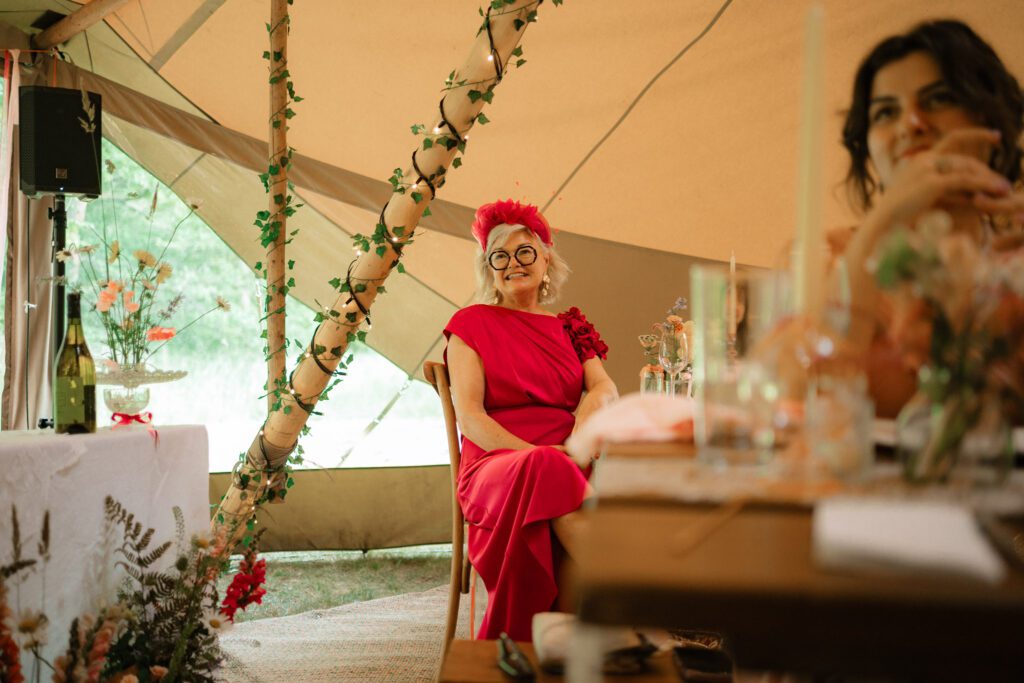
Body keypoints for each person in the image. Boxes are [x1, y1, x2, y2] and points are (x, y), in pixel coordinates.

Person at [443, 199, 618, 641]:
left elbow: (604, 389)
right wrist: (537, 453)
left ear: (545, 259)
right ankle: (627, 608)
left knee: (560, 474)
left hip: (567, 463)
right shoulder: (471, 323)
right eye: (499, 256)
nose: (513, 264)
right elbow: (470, 417)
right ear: (489, 267)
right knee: (548, 468)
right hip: (497, 466)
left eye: (524, 252)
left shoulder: (570, 326)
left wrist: (578, 434)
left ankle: (575, 638)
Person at [834, 19, 1024, 417]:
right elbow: (797, 398)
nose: (911, 124)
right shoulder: (829, 257)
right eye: (885, 113)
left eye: (938, 99)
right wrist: (883, 221)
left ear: (990, 120)